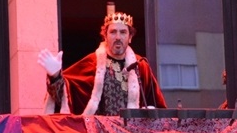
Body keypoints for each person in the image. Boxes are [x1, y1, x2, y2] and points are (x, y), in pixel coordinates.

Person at [37, 7, 167, 115]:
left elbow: (158, 107)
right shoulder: (92, 63)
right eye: (113, 32)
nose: (118, 37)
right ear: (105, 36)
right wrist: (55, 76)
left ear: (130, 37)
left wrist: (150, 113)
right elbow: (65, 96)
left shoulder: (140, 66)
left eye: (123, 32)